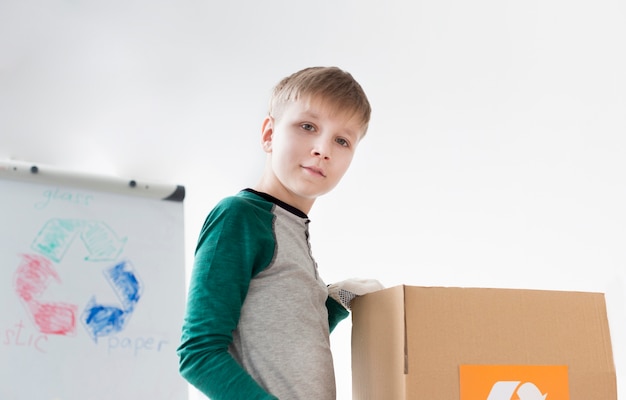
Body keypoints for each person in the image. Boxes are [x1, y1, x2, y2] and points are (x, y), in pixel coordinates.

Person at [177, 66, 383, 399]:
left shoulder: (292, 228)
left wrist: (332, 302)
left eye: (342, 140)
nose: (323, 148)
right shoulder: (240, 217)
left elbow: (284, 337)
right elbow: (199, 354)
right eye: (308, 126)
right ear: (269, 134)